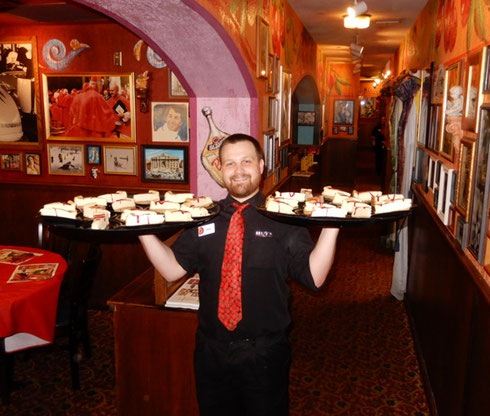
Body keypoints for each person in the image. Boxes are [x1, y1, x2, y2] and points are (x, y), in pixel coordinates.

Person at [139, 133, 339, 415]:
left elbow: (314, 277)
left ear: (261, 165)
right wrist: (141, 228)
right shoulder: (204, 216)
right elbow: (172, 270)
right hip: (211, 351)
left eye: (246, 161)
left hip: (264, 354)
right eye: (230, 163)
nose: (239, 170)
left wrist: (333, 224)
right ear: (220, 169)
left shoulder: (283, 218)